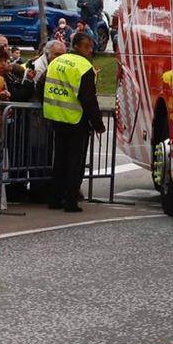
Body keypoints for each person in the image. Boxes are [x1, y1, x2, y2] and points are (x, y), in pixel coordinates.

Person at [43, 29, 103, 213]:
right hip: (76, 120)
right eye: (86, 46)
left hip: (56, 117)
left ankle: (55, 198)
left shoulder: (57, 61)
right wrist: (98, 124)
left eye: (91, 47)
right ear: (76, 46)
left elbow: (41, 85)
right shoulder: (84, 67)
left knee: (59, 160)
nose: (90, 50)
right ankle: (70, 201)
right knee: (75, 163)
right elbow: (88, 99)